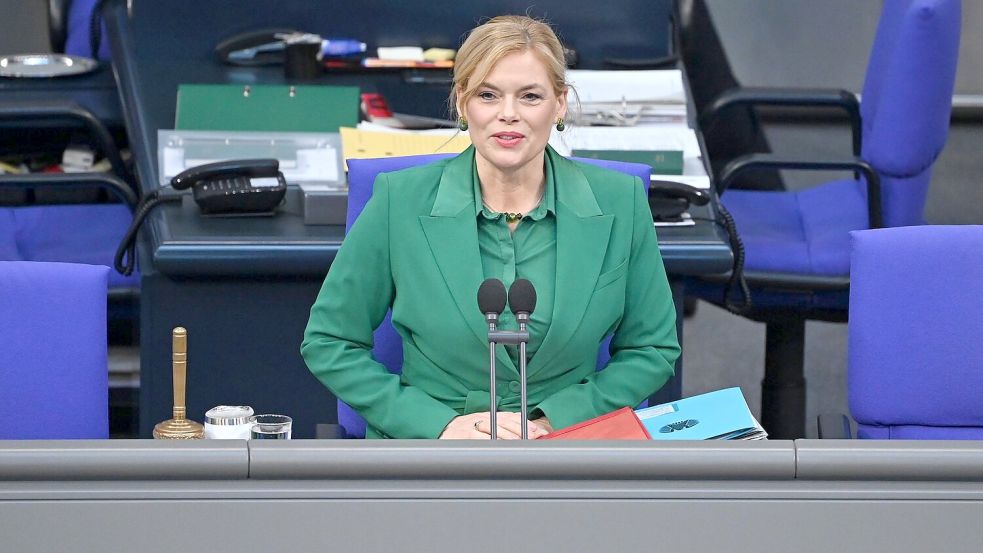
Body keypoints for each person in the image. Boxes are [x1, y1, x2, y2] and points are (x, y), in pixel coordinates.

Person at [301, 15, 680, 439]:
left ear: (559, 104)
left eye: (530, 96)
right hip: (431, 458)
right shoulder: (398, 201)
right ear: (463, 102)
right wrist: (438, 425)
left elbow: (653, 348)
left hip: (567, 452)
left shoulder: (620, 202)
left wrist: (558, 419)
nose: (508, 114)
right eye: (488, 94)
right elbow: (329, 342)